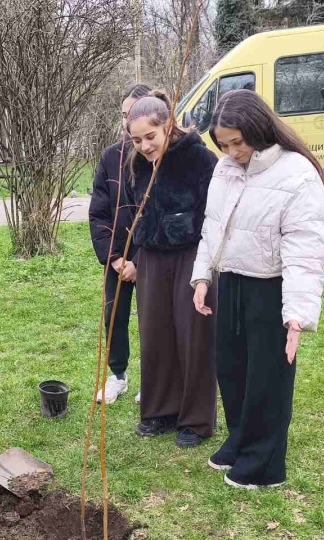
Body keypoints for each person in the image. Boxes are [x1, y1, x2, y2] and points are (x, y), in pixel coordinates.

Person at [191, 89, 324, 489]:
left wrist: (296, 316)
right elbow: (212, 226)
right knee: (232, 370)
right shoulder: (225, 169)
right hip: (232, 280)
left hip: (271, 287)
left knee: (267, 377)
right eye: (223, 144)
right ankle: (240, 440)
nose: (232, 152)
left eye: (238, 142)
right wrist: (202, 277)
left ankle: (264, 465)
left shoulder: (297, 174)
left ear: (259, 129)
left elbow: (305, 249)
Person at [123, 91, 219, 448]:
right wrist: (133, 254)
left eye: (150, 137)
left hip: (191, 254)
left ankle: (196, 419)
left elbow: (214, 214)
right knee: (156, 333)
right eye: (137, 140)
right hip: (152, 257)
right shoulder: (137, 163)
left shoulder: (199, 158)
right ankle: (160, 411)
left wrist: (205, 264)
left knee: (193, 335)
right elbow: (135, 211)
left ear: (169, 125)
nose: (145, 146)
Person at [88, 83, 151, 405]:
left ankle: (154, 380)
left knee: (153, 319)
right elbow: (99, 213)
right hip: (116, 256)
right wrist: (115, 258)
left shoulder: (159, 158)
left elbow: (159, 215)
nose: (128, 122)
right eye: (125, 115)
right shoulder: (110, 157)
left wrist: (138, 261)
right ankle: (117, 376)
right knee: (114, 315)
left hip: (152, 256)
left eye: (134, 114)